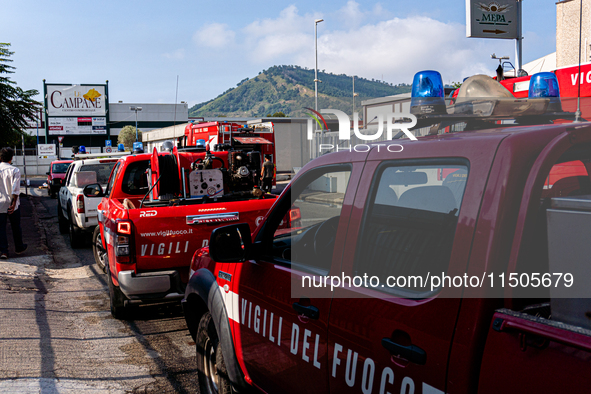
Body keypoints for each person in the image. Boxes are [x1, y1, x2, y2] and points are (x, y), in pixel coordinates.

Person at [0, 147, 27, 259]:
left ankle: (4, 251)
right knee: (16, 226)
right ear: (11, 158)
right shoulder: (15, 170)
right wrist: (13, 203)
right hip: (12, 203)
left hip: (0, 203)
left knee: (1, 228)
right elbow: (15, 189)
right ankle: (19, 247)